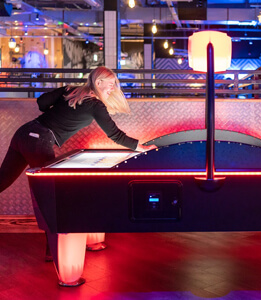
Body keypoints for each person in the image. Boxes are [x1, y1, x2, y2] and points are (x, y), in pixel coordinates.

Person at [0, 66, 156, 257]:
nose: (113, 89)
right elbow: (115, 135)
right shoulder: (94, 104)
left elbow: (41, 102)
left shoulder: (71, 90)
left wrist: (60, 106)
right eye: (111, 85)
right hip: (38, 140)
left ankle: (54, 248)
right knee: (54, 196)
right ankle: (55, 251)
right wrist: (142, 148)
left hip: (24, 133)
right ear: (98, 83)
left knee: (3, 181)